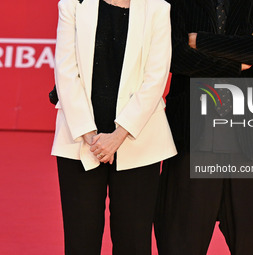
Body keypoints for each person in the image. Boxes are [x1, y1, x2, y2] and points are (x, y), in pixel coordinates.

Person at [155, 0, 253, 254]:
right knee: (179, 242)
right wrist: (237, 62)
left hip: (245, 139)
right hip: (192, 134)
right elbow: (175, 55)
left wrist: (201, 41)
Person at [51, 0, 176, 254]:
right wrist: (89, 133)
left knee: (133, 242)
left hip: (139, 141)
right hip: (80, 140)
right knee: (80, 241)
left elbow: (156, 77)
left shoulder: (157, 8)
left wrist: (119, 134)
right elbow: (65, 70)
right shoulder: (72, 5)